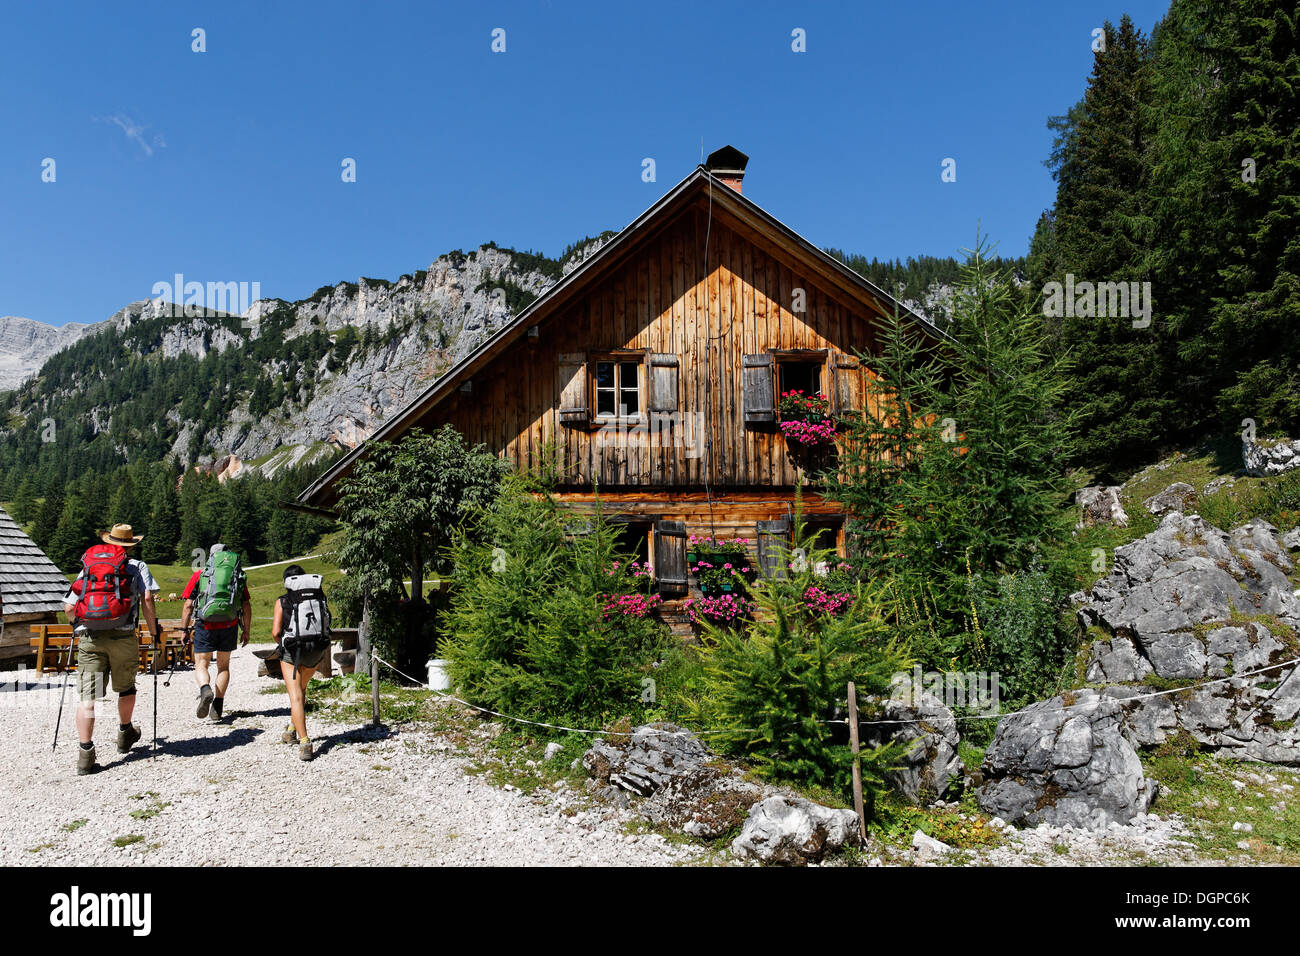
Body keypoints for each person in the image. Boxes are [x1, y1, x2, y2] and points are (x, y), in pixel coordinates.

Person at [63, 523, 162, 775]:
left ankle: (85, 754)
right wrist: (153, 632)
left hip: (90, 638)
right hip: (123, 637)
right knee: (126, 687)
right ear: (131, 544)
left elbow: (68, 606)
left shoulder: (89, 566)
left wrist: (77, 625)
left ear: (109, 541)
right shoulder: (137, 566)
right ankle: (124, 732)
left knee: (89, 697)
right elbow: (148, 599)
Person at [179, 544, 251, 722]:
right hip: (229, 624)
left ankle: (205, 689)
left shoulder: (200, 575)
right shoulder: (236, 576)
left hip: (205, 625)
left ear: (211, 557)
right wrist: (246, 630)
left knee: (201, 663)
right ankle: (217, 708)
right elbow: (246, 605)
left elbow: (188, 605)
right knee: (223, 666)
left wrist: (184, 630)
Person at [270, 564, 331, 761]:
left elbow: (275, 633)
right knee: (301, 690)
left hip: (292, 653)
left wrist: (283, 644)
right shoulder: (319, 598)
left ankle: (305, 742)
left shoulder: (282, 601)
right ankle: (290, 730)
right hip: (315, 651)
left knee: (295, 696)